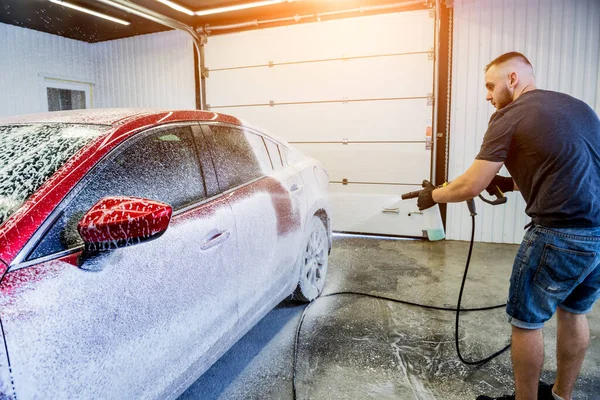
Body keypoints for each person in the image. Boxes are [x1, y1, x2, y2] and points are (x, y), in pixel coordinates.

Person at [417, 52, 600, 400]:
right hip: (597, 234)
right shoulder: (579, 109)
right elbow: (572, 168)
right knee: (574, 312)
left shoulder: (509, 115)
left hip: (557, 235)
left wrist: (435, 195)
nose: (488, 95)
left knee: (526, 322)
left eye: (490, 85)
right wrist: (509, 182)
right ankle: (562, 396)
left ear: (512, 79)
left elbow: (470, 184)